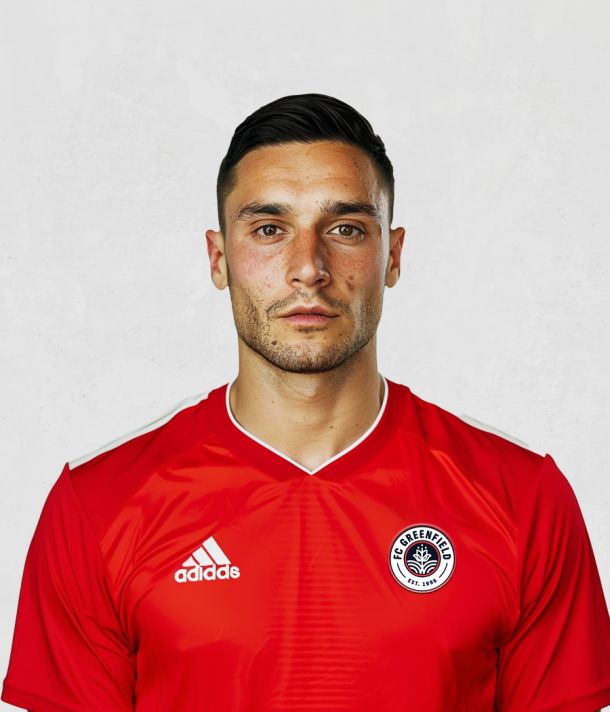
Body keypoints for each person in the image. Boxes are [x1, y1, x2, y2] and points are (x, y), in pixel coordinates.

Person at [2, 93, 610, 711]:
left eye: (346, 229)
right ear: (219, 259)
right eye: (270, 230)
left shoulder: (520, 497)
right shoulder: (99, 505)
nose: (308, 268)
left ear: (392, 256)